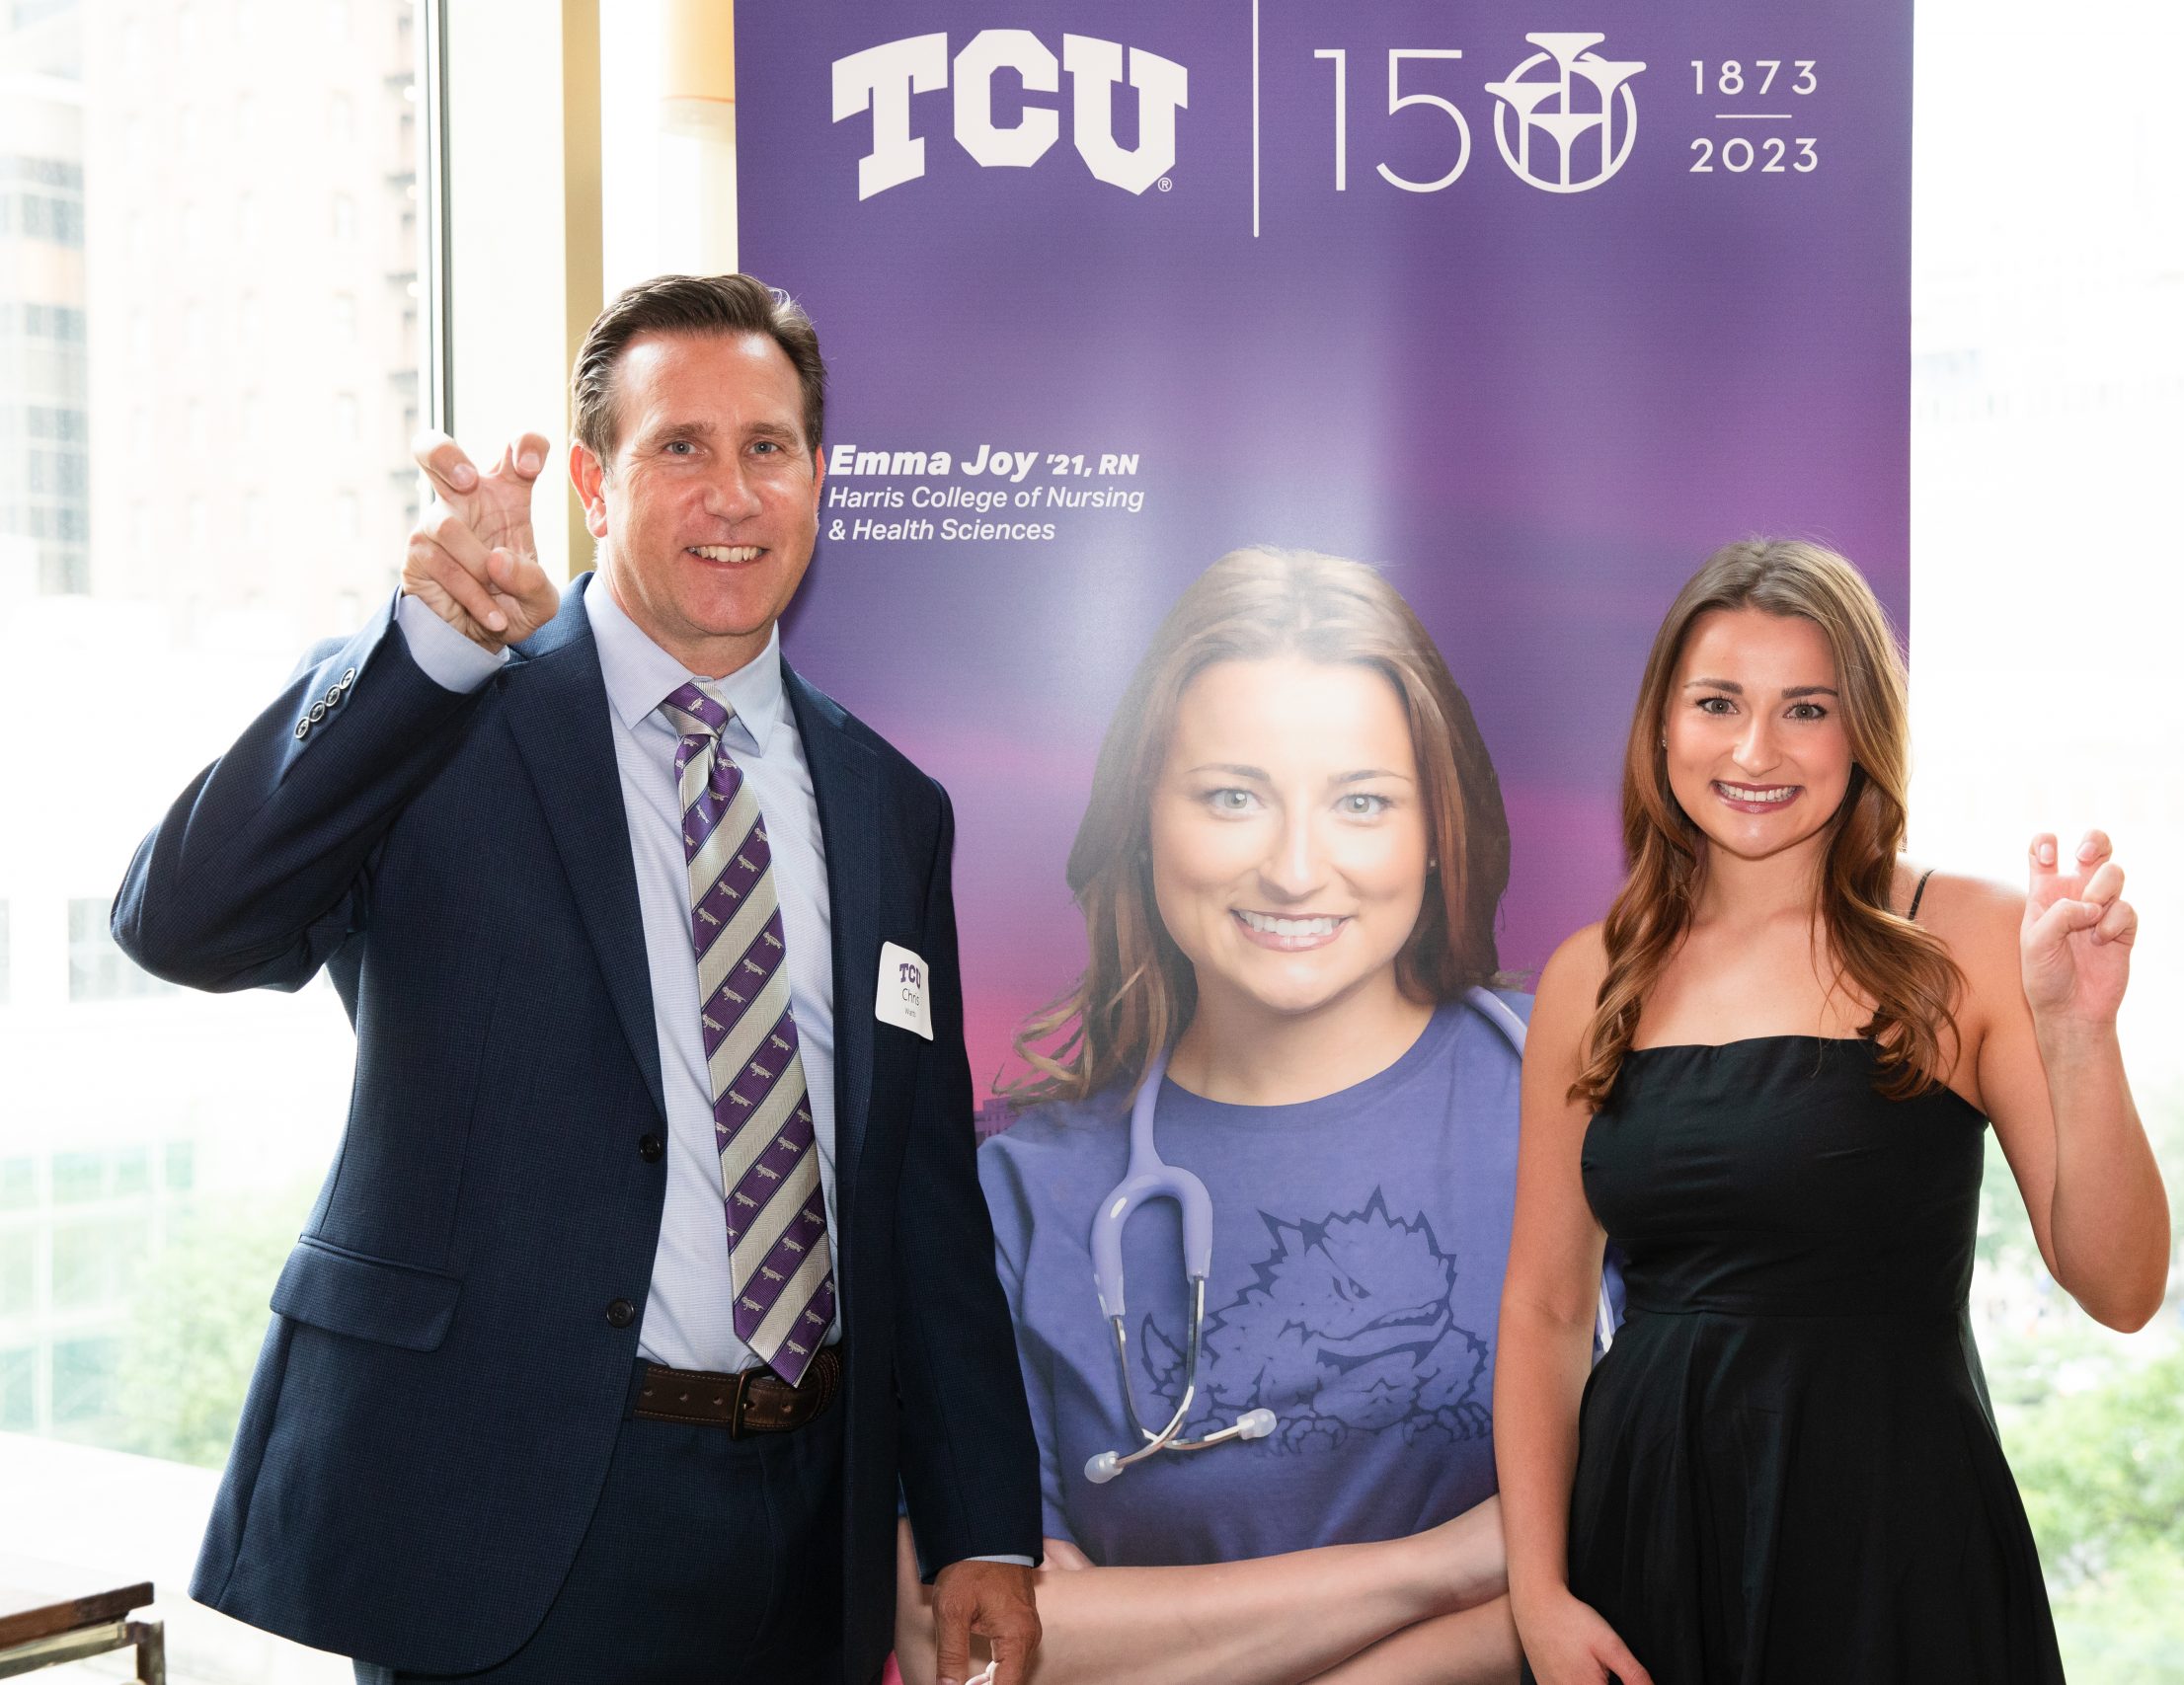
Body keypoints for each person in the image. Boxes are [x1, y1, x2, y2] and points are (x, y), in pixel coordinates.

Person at [114, 273, 1042, 1685]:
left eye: (768, 447)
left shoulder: (886, 802)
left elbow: (920, 1187)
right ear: (598, 489)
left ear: (818, 479)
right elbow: (184, 920)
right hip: (508, 1519)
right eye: (680, 448)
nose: (731, 493)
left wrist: (982, 1520)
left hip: (805, 1537)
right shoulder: (444, 718)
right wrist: (426, 648)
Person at [1495, 539, 2170, 1684]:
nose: (1756, 750)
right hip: (1649, 1544)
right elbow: (1547, 1309)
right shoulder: (1589, 974)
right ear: (1663, 726)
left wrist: (2077, 1036)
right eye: (1718, 703)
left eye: (1805, 708)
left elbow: (2119, 1288)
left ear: (1861, 731)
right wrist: (1539, 1596)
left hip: (1893, 1549)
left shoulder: (1971, 938)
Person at [894, 549, 1571, 1685]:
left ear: (1439, 827)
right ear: (1142, 817)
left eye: (1361, 802)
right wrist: (1461, 1563)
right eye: (1231, 796)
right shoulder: (1016, 1196)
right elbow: (958, 1645)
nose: (1296, 868)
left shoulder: (1577, 1088)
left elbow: (1668, 1546)